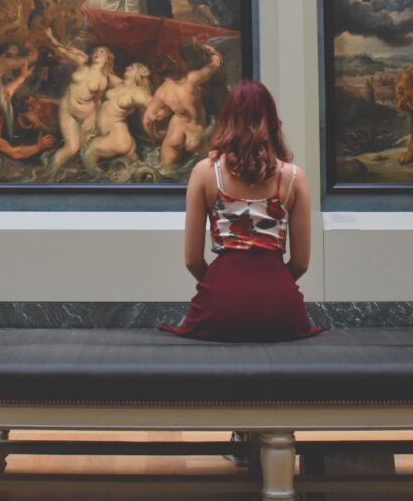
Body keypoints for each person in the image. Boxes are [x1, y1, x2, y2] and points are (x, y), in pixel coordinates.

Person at [160, 79, 323, 342]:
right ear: (271, 119)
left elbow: (192, 260)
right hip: (281, 308)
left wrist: (221, 287)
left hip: (219, 304)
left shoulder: (204, 172)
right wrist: (269, 285)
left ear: (227, 119)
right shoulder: (295, 177)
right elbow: (301, 263)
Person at [44, 28, 121, 172]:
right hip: (67, 109)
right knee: (71, 148)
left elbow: (97, 100)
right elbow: (62, 51)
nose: (98, 53)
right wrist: (51, 37)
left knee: (83, 150)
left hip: (87, 114)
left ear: (107, 58)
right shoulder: (81, 62)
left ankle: (75, 176)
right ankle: (46, 178)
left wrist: (96, 120)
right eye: (96, 51)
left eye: (102, 52)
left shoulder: (104, 80)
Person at [144, 42, 223, 171]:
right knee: (212, 171)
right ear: (174, 64)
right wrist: (213, 53)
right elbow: (214, 65)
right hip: (195, 133)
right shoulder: (191, 79)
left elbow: (146, 120)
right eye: (173, 61)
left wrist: (156, 137)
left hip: (175, 133)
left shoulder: (161, 92)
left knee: (164, 171)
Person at [83, 62, 152, 171]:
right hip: (116, 138)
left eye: (131, 66)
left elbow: (152, 103)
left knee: (88, 155)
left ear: (139, 73)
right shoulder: (120, 83)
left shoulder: (136, 92)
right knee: (132, 173)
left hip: (117, 138)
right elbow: (105, 70)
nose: (127, 66)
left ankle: (99, 184)